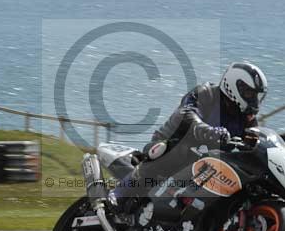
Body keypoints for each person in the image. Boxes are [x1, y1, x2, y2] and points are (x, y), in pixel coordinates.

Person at [110, 62, 268, 204]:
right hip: (172, 144)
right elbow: (186, 113)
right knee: (170, 151)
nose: (254, 100)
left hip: (206, 162)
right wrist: (206, 130)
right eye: (249, 94)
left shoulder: (247, 119)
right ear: (234, 86)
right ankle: (117, 196)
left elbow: (254, 141)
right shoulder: (206, 93)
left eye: (256, 96)